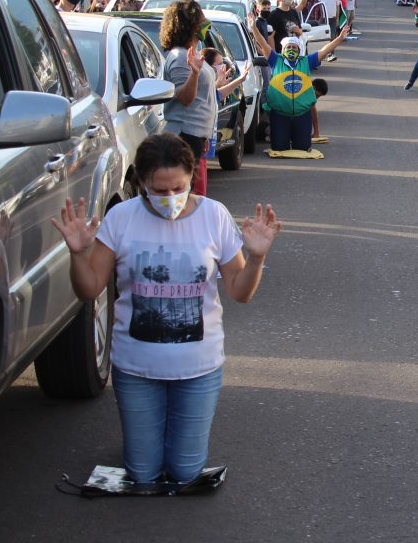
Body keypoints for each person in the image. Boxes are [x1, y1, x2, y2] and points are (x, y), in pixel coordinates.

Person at [51, 132, 281, 486]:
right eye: (159, 191)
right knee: (143, 475)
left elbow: (239, 291)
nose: (171, 198)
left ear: (191, 178)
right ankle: (147, 441)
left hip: (199, 368)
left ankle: (168, 438)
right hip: (136, 367)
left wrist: (257, 258)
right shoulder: (121, 218)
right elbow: (88, 289)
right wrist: (78, 253)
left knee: (185, 473)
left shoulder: (214, 216)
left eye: (179, 188)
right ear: (141, 182)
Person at [249, 21, 350, 152]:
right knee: (279, 148)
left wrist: (340, 38)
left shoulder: (306, 62)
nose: (291, 49)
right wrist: (253, 27)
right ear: (283, 49)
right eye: (288, 47)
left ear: (299, 49)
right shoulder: (276, 60)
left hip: (302, 113)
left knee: (302, 148)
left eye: (294, 47)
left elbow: (325, 51)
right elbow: (263, 43)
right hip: (279, 113)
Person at [160, 0, 217, 180]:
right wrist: (194, 73)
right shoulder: (180, 57)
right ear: (189, 25)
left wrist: (205, 135)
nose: (206, 23)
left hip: (195, 135)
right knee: (182, 190)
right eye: (201, 21)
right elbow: (185, 98)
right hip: (184, 135)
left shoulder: (191, 54)